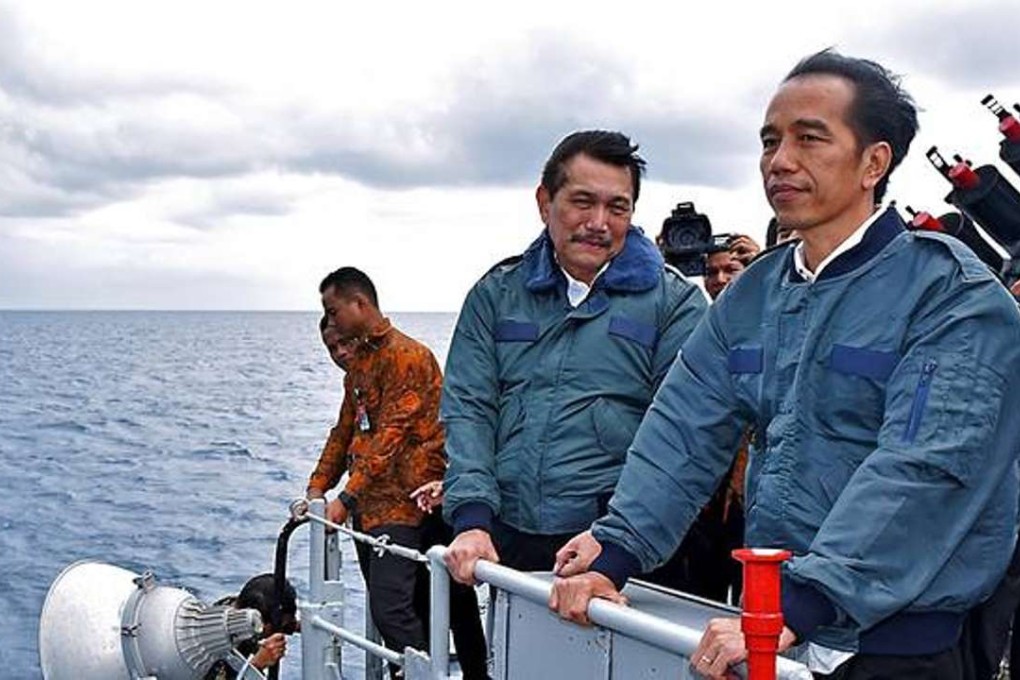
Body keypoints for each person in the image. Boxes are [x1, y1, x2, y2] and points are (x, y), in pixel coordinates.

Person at [549, 49, 1020, 680]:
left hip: (898, 645)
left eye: (809, 139)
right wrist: (619, 545)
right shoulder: (755, 293)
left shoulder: (952, 295)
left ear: (873, 162)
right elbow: (684, 424)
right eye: (770, 141)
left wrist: (802, 601)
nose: (780, 161)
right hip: (774, 626)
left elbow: (928, 467)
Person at [441, 129, 708, 585]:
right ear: (545, 202)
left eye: (617, 207)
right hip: (510, 537)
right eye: (583, 202)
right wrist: (472, 519)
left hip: (621, 547)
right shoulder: (495, 295)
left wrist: (620, 537)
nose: (599, 222)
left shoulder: (677, 305)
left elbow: (683, 434)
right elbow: (469, 409)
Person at [307, 270, 487, 679]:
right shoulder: (360, 368)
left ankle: (447, 674)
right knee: (416, 604)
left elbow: (390, 435)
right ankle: (417, 671)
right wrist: (318, 487)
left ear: (360, 305)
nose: (331, 322)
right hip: (376, 507)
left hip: (411, 504)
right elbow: (345, 432)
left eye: (333, 312)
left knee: (403, 608)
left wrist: (345, 498)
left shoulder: (407, 356)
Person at [204, 574, 298, 679]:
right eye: (280, 626)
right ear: (261, 624)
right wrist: (256, 666)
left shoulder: (238, 608)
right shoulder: (216, 649)